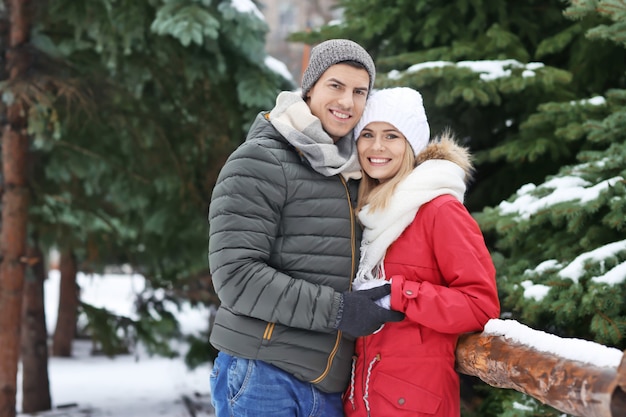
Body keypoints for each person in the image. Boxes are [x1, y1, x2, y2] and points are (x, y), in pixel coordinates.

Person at [207, 39, 404, 417]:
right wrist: (339, 310)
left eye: (359, 91)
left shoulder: (353, 170)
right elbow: (235, 277)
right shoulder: (261, 159)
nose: (347, 102)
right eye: (336, 86)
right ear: (310, 87)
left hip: (327, 384)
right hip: (264, 375)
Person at [343, 87, 501, 417]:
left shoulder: (439, 210)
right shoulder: (369, 215)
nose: (377, 147)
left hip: (415, 406)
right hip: (364, 403)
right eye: (367, 134)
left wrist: (399, 295)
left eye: (392, 136)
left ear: (412, 145)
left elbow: (481, 305)